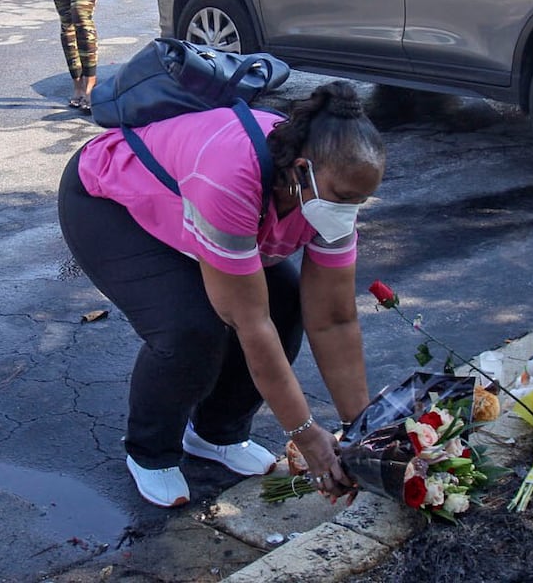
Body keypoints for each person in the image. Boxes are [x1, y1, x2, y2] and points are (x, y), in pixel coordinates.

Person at [57, 81, 385, 508]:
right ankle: (150, 451)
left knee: (287, 307)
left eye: (361, 200)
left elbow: (334, 319)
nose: (349, 210)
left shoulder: (332, 196)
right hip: (111, 203)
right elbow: (249, 322)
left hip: (191, 210)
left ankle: (217, 433)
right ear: (301, 169)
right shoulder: (231, 175)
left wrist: (363, 434)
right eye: (344, 198)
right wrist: (307, 437)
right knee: (193, 325)